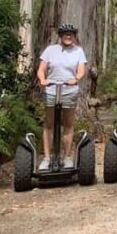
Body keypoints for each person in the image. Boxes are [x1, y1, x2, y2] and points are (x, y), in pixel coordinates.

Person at [36, 23, 87, 170]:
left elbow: (81, 70)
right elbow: (41, 69)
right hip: (52, 90)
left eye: (71, 34)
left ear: (74, 36)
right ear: (60, 35)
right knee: (49, 124)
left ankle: (67, 157)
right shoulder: (51, 50)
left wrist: (75, 78)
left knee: (68, 124)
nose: (68, 36)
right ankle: (46, 158)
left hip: (69, 91)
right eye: (65, 33)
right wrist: (43, 80)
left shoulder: (78, 51)